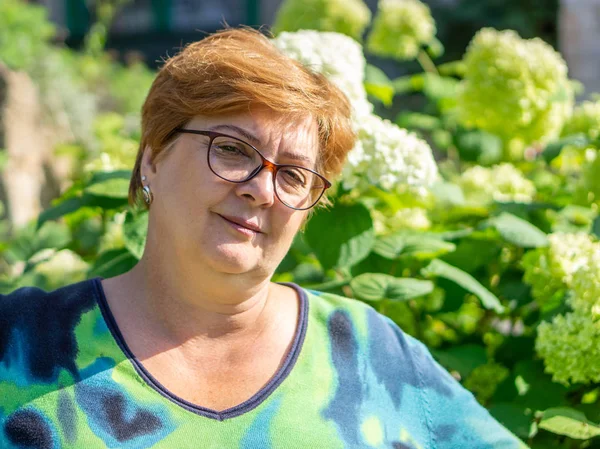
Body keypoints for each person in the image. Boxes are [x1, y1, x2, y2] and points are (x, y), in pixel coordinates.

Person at [0, 28, 527, 448]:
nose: (262, 190)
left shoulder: (369, 351)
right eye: (231, 149)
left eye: (294, 175)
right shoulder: (20, 342)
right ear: (152, 158)